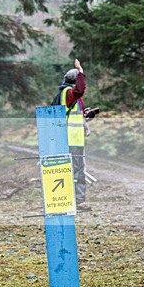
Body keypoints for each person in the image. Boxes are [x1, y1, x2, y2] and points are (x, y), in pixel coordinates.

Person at [54, 59, 88, 206]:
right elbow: (80, 90)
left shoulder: (67, 94)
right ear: (76, 81)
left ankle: (72, 198)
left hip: (73, 138)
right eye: (80, 79)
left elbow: (73, 114)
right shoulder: (69, 93)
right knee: (76, 170)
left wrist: (85, 117)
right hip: (72, 139)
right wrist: (80, 71)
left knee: (74, 170)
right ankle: (76, 199)